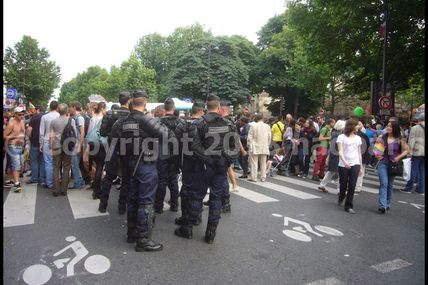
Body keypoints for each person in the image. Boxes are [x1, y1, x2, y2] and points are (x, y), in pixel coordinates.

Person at [174, 95, 238, 243]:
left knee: (196, 196)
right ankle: (210, 235)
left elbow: (195, 147)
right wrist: (225, 161)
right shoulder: (229, 124)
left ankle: (187, 229)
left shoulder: (198, 124)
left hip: (202, 166)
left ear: (206, 107)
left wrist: (209, 161)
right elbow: (234, 148)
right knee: (216, 198)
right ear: (218, 107)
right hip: (219, 166)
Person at [117, 89, 170, 252]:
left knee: (133, 198)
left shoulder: (123, 121)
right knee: (146, 201)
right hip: (146, 164)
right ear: (145, 102)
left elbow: (114, 138)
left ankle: (131, 233)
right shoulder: (146, 120)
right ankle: (143, 240)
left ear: (132, 101)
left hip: (131, 163)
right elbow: (166, 134)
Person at [98, 92, 131, 213]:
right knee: (126, 178)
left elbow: (102, 132)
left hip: (113, 146)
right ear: (128, 101)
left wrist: (112, 136)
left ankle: (103, 205)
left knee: (109, 177)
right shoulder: (131, 115)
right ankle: (122, 206)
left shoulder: (109, 114)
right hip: (127, 149)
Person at [174, 102, 205, 226]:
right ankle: (196, 216)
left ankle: (185, 217)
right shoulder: (204, 125)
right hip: (201, 162)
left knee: (186, 188)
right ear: (201, 111)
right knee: (198, 190)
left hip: (186, 160)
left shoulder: (182, 125)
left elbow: (175, 145)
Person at [154, 98, 183, 214]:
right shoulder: (180, 122)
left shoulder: (158, 122)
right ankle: (175, 205)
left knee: (161, 181)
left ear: (164, 109)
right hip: (175, 154)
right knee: (173, 180)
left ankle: (159, 206)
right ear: (174, 108)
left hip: (162, 154)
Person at [375, 120, 409, 213]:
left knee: (389, 185)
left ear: (395, 128)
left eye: (391, 126)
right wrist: (377, 153)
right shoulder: (382, 137)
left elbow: (407, 150)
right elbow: (376, 150)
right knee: (384, 184)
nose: (388, 128)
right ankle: (382, 206)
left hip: (393, 164)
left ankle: (387, 203)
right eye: (388, 126)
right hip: (383, 163)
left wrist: (398, 157)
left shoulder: (399, 139)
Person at [50, 103, 78, 196]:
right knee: (66, 167)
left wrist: (50, 145)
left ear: (58, 110)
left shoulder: (53, 121)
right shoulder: (71, 121)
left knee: (55, 167)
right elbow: (75, 135)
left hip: (56, 146)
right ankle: (64, 190)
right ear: (67, 111)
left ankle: (55, 190)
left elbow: (51, 135)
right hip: (67, 146)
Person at [336, 118, 363, 214]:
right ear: (352, 126)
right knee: (343, 184)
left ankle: (349, 206)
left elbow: (359, 153)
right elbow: (340, 151)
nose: (358, 127)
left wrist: (361, 166)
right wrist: (344, 161)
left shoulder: (358, 138)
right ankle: (341, 196)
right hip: (343, 164)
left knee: (352, 185)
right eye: (357, 125)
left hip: (355, 163)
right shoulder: (341, 137)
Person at [85, 101, 107, 199]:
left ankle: (95, 189)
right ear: (102, 109)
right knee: (100, 167)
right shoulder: (104, 119)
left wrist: (87, 147)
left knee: (95, 166)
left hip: (93, 145)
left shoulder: (93, 119)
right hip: (102, 145)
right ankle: (98, 189)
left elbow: (89, 134)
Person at [318, 120, 346, 193]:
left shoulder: (334, 133)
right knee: (339, 172)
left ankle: (322, 185)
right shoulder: (339, 135)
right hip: (337, 155)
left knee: (331, 171)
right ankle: (340, 190)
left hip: (333, 155)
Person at [3, 107, 26, 192]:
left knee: (12, 164)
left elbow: (23, 133)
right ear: (15, 114)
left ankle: (9, 180)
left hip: (20, 146)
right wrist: (16, 137)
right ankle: (17, 183)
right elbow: (4, 135)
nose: (22, 116)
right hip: (12, 146)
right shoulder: (11, 123)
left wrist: (24, 141)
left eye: (23, 114)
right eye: (19, 114)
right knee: (17, 164)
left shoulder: (22, 122)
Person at [400, 112, 424, 194]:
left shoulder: (415, 128)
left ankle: (409, 188)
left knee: (413, 170)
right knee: (422, 171)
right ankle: (421, 189)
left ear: (419, 120)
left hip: (416, 152)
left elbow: (411, 141)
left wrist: (409, 151)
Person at [39, 101, 60, 189]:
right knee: (57, 162)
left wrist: (41, 143)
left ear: (50, 107)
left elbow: (41, 131)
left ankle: (50, 182)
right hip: (59, 141)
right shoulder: (60, 116)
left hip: (47, 141)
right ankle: (57, 180)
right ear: (57, 107)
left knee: (48, 162)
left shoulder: (45, 117)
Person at [247, 113, 272, 182]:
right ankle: (263, 177)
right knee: (263, 163)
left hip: (255, 147)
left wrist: (249, 145)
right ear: (263, 118)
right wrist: (267, 144)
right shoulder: (267, 126)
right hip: (264, 146)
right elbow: (269, 137)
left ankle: (254, 177)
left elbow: (250, 137)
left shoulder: (253, 126)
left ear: (256, 118)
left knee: (254, 163)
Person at [26, 106, 46, 185]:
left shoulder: (35, 117)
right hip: (44, 143)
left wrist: (28, 138)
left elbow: (29, 129)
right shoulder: (45, 117)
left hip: (34, 142)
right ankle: (41, 178)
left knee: (34, 161)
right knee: (42, 161)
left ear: (38, 110)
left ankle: (34, 178)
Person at [68, 102, 86, 190]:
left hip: (76, 144)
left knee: (75, 164)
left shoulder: (79, 118)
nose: (69, 109)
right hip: (76, 144)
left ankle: (78, 183)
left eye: (70, 107)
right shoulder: (76, 118)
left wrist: (79, 145)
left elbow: (82, 132)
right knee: (75, 164)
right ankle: (79, 181)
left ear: (74, 107)